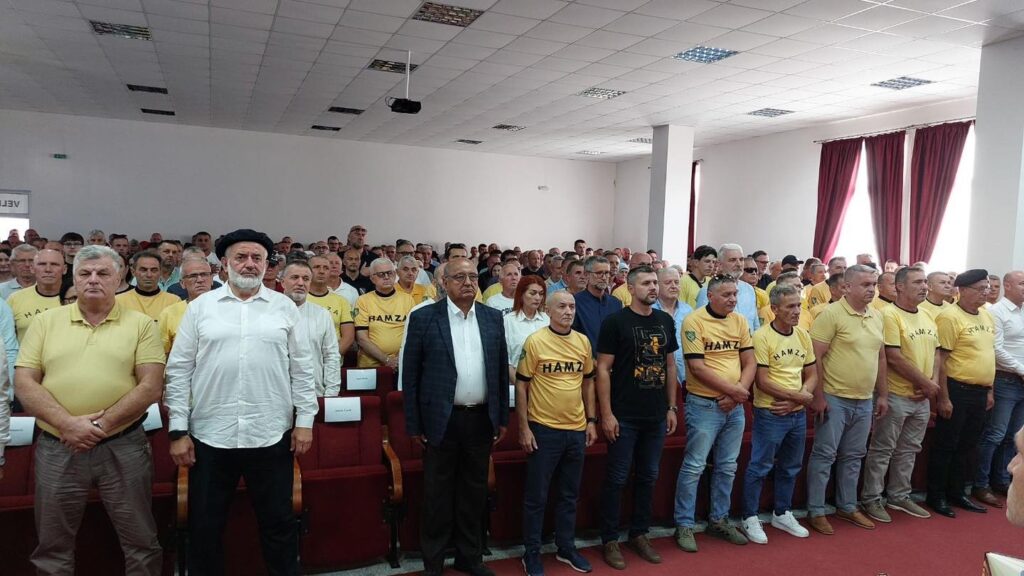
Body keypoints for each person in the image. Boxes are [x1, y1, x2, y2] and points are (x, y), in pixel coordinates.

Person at [165, 228, 317, 575]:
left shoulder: (284, 307)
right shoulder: (200, 308)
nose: (249, 264)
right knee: (205, 528)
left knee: (279, 524)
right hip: (210, 437)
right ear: (224, 263)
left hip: (271, 435)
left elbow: (303, 369)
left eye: (257, 258)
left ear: (267, 265)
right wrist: (177, 430)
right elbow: (179, 370)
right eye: (241, 257)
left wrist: (305, 422)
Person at [15, 245, 165, 575]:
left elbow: (151, 386)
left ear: (119, 277)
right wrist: (67, 424)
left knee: (141, 541)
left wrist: (96, 427)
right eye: (85, 273)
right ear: (74, 277)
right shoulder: (45, 322)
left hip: (123, 445)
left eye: (103, 273)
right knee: (52, 547)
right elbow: (24, 382)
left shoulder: (141, 324)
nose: (93, 279)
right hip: (59, 445)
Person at [402, 257, 509, 576]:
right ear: (443, 282)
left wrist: (501, 417)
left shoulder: (492, 317)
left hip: (480, 419)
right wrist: (414, 424)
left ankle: (469, 557)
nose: (468, 282)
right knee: (437, 494)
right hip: (440, 421)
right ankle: (433, 563)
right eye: (459, 277)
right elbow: (411, 376)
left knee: (474, 493)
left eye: (473, 277)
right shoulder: (424, 317)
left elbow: (499, 371)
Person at [596, 265, 678, 570]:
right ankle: (609, 539)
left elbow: (670, 365)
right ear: (630, 288)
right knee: (617, 478)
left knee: (648, 477)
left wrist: (671, 407)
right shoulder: (615, 322)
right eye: (646, 283)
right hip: (624, 415)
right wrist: (606, 414)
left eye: (655, 282)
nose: (653, 287)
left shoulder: (665, 321)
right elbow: (603, 369)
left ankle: (639, 533)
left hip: (655, 415)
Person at [516, 290, 596, 576]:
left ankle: (565, 547)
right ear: (548, 311)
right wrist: (524, 427)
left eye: (572, 306)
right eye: (561, 306)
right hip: (544, 429)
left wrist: (591, 420)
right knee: (536, 497)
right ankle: (531, 552)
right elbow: (522, 385)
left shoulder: (583, 341)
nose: (568, 311)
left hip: (576, 429)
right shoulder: (535, 341)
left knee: (569, 494)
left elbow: (588, 382)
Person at [674, 274, 755, 551]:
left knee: (728, 466)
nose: (733, 299)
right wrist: (735, 392)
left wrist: (737, 393)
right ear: (710, 296)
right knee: (694, 465)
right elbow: (697, 368)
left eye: (735, 294)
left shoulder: (739, 321)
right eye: (726, 295)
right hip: (704, 406)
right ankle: (684, 524)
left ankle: (719, 519)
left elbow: (750, 361)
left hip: (734, 407)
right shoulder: (694, 321)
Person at [806, 264, 887, 535]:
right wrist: (818, 396)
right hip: (834, 397)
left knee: (854, 455)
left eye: (873, 284)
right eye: (865, 285)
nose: (871, 289)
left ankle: (847, 505)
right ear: (847, 287)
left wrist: (883, 394)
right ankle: (816, 510)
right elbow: (814, 357)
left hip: (864, 399)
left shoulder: (877, 316)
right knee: (824, 455)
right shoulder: (830, 314)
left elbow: (881, 357)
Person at [860, 266, 938, 522]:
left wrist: (931, 383)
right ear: (900, 286)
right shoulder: (889, 315)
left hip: (921, 396)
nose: (924, 286)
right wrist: (926, 383)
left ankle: (899, 496)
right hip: (896, 394)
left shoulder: (927, 315)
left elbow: (937, 354)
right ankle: (872, 498)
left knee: (910, 449)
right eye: (917, 282)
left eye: (925, 282)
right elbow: (893, 357)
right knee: (883, 449)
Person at [741, 283, 816, 544]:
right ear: (774, 309)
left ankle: (782, 512)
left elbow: (812, 374)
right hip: (771, 412)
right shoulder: (762, 337)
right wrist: (799, 398)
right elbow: (762, 381)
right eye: (790, 306)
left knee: (791, 466)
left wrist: (799, 400)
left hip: (796, 412)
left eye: (799, 306)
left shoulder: (803, 335)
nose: (796, 311)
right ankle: (749, 516)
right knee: (760, 466)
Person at [927, 269, 997, 518]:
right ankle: (936, 495)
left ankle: (957, 493)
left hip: (980, 391)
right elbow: (942, 360)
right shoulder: (949, 317)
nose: (985, 292)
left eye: (987, 288)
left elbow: (988, 355)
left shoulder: (986, 316)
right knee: (946, 445)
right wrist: (943, 397)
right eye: (980, 289)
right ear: (963, 290)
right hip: (957, 389)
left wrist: (989, 390)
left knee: (968, 445)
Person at [976, 271, 1024, 507]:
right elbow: (996, 349)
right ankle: (980, 483)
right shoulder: (996, 311)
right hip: (1006, 380)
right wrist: (1021, 369)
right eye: (1022, 283)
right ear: (1008, 285)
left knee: (1013, 437)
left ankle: (1002, 480)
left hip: (1021, 381)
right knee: (995, 434)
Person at [281, 260, 342, 397]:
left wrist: (331, 393)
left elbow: (331, 356)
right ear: (283, 282)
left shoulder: (322, 314)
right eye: (295, 277)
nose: (300, 283)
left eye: (306, 279)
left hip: (314, 393)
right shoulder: (269, 313)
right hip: (277, 395)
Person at [354, 258, 415, 368]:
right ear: (372, 278)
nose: (386, 277)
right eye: (381, 274)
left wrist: (398, 359)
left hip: (401, 362)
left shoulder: (408, 299)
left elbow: (413, 335)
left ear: (395, 275)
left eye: (390, 273)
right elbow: (362, 339)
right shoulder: (363, 301)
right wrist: (387, 360)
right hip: (370, 365)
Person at [696, 244, 760, 333]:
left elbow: (755, 323)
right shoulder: (707, 291)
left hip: (748, 341)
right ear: (720, 264)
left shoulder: (749, 289)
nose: (738, 264)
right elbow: (701, 324)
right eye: (732, 260)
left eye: (741, 259)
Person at [158, 253, 213, 354]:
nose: (200, 280)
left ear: (212, 279)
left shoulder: (227, 309)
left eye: (204, 274)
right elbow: (160, 354)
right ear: (182, 283)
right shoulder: (169, 314)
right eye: (193, 276)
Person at [7, 249, 64, 341]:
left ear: (64, 269)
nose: (48, 269)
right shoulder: (15, 299)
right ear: (32, 268)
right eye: (42, 264)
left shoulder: (76, 298)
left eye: (54, 264)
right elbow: (6, 338)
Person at [306, 255, 355, 357]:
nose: (321, 271)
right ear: (307, 271)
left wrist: (330, 358)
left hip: (333, 361)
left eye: (326, 268)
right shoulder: (297, 299)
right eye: (316, 267)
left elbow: (348, 337)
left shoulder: (342, 301)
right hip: (303, 361)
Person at [652, 267, 692, 391]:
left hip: (686, 378)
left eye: (676, 282)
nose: (674, 286)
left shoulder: (688, 311)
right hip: (656, 378)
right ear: (657, 286)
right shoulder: (649, 311)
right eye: (668, 282)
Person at [572, 256, 622, 354]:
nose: (604, 277)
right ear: (586, 275)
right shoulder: (575, 302)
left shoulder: (616, 303)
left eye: (607, 273)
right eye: (599, 273)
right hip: (585, 359)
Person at [503, 276, 549, 383]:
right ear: (521, 294)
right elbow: (506, 359)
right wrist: (520, 386)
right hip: (517, 380)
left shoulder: (548, 320)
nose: (537, 298)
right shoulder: (508, 321)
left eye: (541, 294)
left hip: (546, 382)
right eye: (532, 293)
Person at [116, 250, 182, 320]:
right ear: (133, 272)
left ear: (160, 272)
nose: (149, 275)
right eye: (143, 270)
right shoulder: (119, 301)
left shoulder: (174, 302)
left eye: (154, 270)